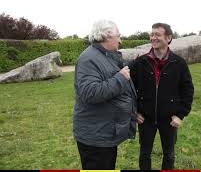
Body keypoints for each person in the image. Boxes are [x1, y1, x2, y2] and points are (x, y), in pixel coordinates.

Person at [73, 19, 137, 169]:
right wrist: (120, 78)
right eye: (118, 36)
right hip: (95, 137)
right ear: (107, 35)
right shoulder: (89, 59)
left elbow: (107, 73)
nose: (120, 41)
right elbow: (90, 93)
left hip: (104, 132)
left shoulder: (104, 55)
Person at [130, 23, 194, 170]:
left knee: (169, 154)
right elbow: (129, 89)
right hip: (145, 118)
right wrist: (134, 111)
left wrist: (180, 115)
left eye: (157, 34)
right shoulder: (140, 62)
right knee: (144, 154)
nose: (153, 37)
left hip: (170, 119)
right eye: (152, 34)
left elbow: (188, 90)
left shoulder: (179, 63)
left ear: (169, 38)